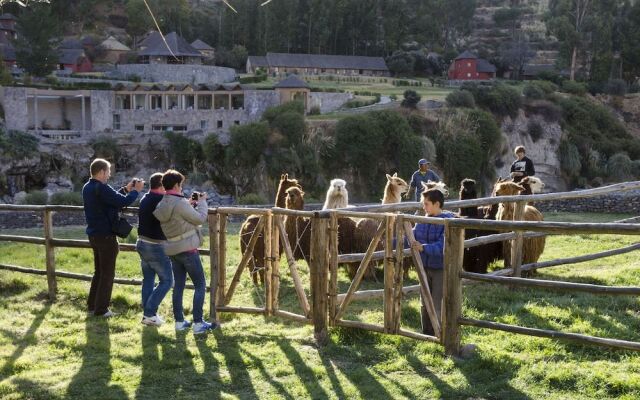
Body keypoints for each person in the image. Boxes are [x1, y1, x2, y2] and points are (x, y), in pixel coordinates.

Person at [153, 169, 218, 335]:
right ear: (176, 185)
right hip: (188, 249)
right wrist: (202, 202)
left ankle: (180, 322)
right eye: (181, 185)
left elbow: (179, 215)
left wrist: (189, 204)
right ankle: (198, 324)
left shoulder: (163, 203)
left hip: (172, 249)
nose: (182, 187)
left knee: (179, 287)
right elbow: (199, 219)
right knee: (200, 285)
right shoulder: (180, 203)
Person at [82, 158, 143, 317]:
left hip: (94, 235)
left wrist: (125, 189)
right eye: (108, 171)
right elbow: (122, 202)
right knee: (107, 274)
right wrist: (136, 191)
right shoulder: (101, 188)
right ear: (102, 172)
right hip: (106, 236)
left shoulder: (87, 187)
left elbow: (112, 200)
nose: (109, 175)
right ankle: (101, 310)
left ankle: (92, 305)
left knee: (99, 272)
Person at [409, 188, 456, 336]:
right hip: (424, 267)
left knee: (436, 302)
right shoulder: (423, 221)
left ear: (437, 204)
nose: (424, 207)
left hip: (440, 268)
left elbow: (443, 245)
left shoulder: (448, 223)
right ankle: (427, 333)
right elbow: (412, 237)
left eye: (426, 204)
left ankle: (439, 333)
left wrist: (424, 248)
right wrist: (392, 242)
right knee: (424, 302)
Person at [136, 172, 173, 327]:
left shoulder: (145, 198)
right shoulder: (160, 200)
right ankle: (149, 313)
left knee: (149, 280)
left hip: (142, 243)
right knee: (167, 281)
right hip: (155, 246)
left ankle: (148, 316)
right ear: (161, 185)